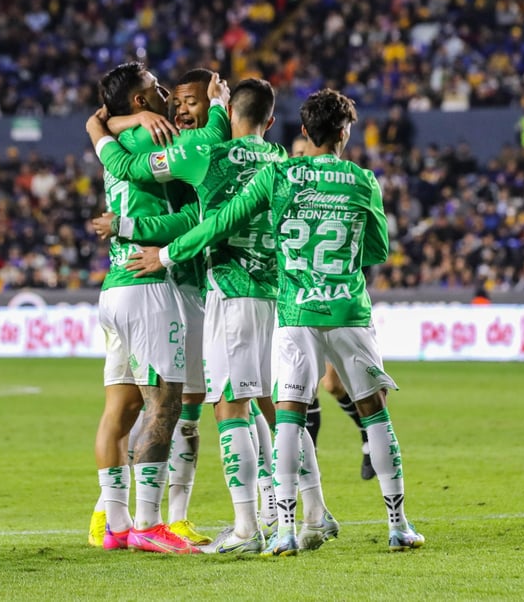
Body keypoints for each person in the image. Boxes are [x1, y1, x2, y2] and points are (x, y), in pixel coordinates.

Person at [126, 89, 426, 555]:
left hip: (292, 307)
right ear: (345, 133)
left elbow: (218, 221)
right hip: (346, 307)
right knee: (374, 413)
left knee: (284, 414)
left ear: (304, 132)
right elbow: (378, 251)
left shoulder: (278, 174)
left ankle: (278, 528)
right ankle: (397, 524)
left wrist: (166, 254)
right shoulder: (363, 180)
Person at [88, 78, 288, 555]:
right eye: (167, 97)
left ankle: (114, 516)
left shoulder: (142, 135)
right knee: (186, 404)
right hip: (171, 285)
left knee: (133, 406)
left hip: (129, 284)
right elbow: (199, 218)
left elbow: (115, 155)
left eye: (187, 100)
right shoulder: (193, 145)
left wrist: (103, 123)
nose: (175, 107)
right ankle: (162, 520)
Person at [88, 67, 228, 549]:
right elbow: (192, 209)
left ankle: (114, 523)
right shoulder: (158, 140)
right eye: (159, 89)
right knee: (165, 401)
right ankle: (148, 526)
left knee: (119, 407)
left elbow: (105, 133)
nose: (169, 96)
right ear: (143, 96)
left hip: (114, 285)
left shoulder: (117, 139)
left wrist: (106, 126)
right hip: (149, 283)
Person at [291, 137, 375, 482]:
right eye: (294, 155)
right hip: (295, 301)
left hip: (335, 299)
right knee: (302, 387)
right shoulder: (286, 193)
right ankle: (308, 467)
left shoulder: (336, 196)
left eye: (303, 153)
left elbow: (370, 250)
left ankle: (368, 434)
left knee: (333, 386)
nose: (300, 160)